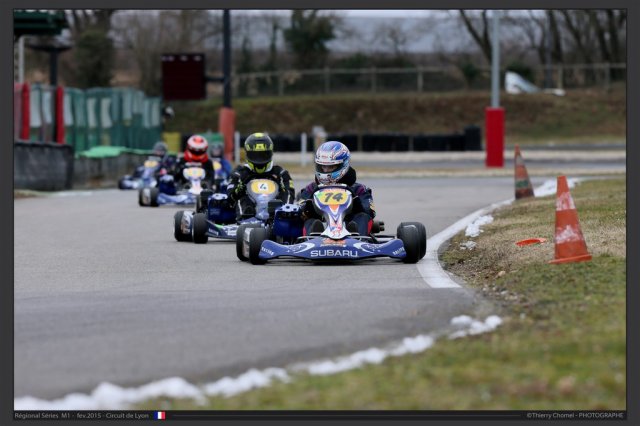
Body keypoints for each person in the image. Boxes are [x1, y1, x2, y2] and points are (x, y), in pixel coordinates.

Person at [298, 141, 376, 236]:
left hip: (349, 226)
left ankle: (356, 237)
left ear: (343, 165)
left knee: (363, 217)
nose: (325, 170)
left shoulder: (358, 189)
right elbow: (299, 211)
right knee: (310, 221)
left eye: (330, 167)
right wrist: (308, 207)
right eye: (323, 167)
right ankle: (314, 237)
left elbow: (370, 212)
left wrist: (356, 204)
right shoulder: (311, 188)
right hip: (321, 228)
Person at [227, 132, 295, 220]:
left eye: (263, 155)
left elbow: (289, 193)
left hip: (274, 213)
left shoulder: (280, 173)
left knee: (284, 196)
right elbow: (230, 198)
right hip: (250, 211)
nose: (259, 159)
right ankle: (245, 220)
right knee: (242, 199)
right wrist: (239, 190)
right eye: (255, 155)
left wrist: (285, 207)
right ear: (248, 154)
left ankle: (281, 218)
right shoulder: (239, 173)